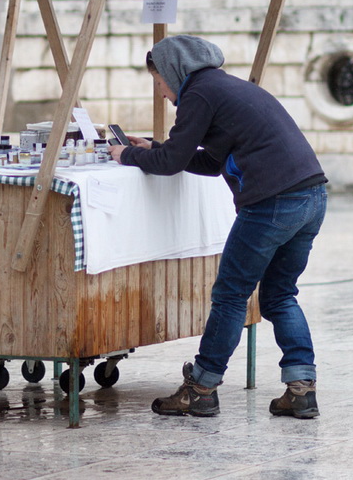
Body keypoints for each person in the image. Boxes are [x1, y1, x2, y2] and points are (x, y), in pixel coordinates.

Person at [109, 35, 328, 419]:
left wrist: (126, 154)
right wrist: (154, 147)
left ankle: (201, 388)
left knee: (230, 295)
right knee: (279, 295)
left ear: (173, 72)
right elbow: (210, 161)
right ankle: (301, 390)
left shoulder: (199, 94)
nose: (161, 93)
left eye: (158, 81)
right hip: (311, 197)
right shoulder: (227, 87)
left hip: (272, 202)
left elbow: (172, 161)